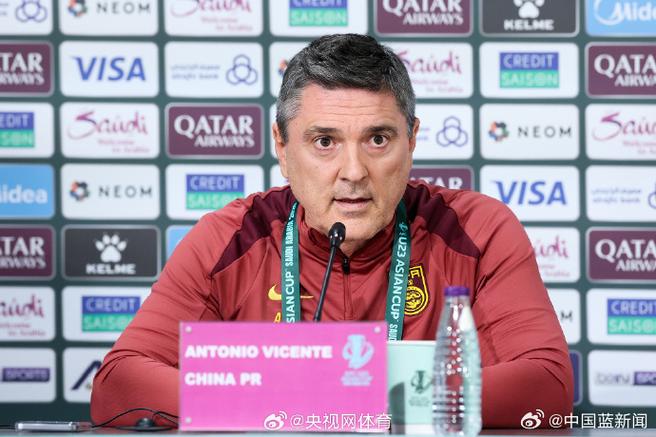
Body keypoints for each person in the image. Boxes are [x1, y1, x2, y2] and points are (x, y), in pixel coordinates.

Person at [90, 34, 573, 428]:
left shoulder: (477, 230)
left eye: (378, 139)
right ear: (282, 147)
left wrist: (325, 393)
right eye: (324, 141)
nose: (354, 171)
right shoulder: (229, 238)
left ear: (411, 142)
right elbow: (120, 386)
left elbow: (546, 387)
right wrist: (322, 395)